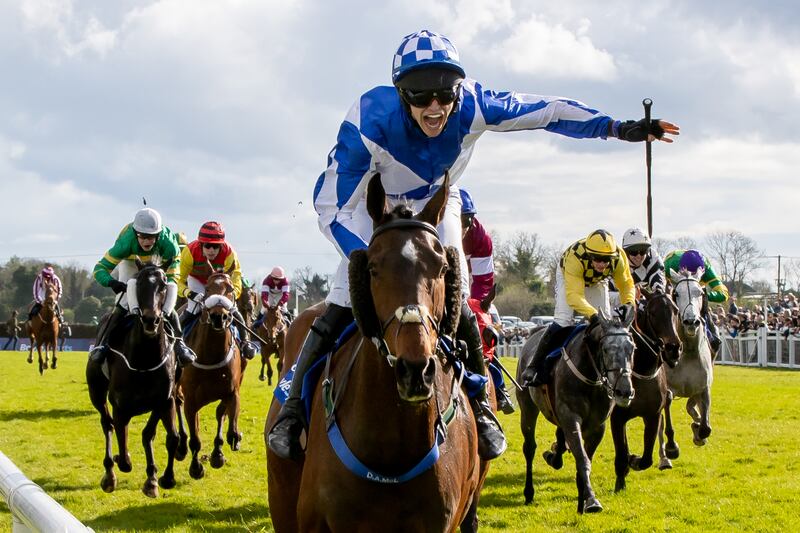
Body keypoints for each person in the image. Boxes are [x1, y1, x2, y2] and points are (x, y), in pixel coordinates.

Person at [268, 29, 678, 462]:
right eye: (420, 95)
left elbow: (549, 112)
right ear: (400, 93)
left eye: (445, 94)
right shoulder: (368, 119)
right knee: (342, 299)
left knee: (455, 299)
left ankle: (481, 405)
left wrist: (616, 127)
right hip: (373, 206)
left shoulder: (475, 105)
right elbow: (331, 206)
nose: (435, 107)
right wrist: (368, 259)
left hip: (437, 202)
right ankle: (294, 408)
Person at [524, 229, 636, 387]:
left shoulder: (618, 257)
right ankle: (534, 366)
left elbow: (626, 284)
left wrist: (628, 303)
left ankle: (608, 371)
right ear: (590, 255)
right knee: (563, 320)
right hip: (569, 278)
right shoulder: (575, 257)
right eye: (597, 259)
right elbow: (574, 296)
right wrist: (593, 314)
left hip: (598, 281)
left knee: (606, 328)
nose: (602, 263)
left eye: (606, 260)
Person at [89, 207, 195, 366]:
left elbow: (173, 276)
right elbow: (99, 269)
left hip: (158, 262)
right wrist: (112, 282)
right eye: (143, 237)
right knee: (124, 301)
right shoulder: (125, 243)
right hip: (131, 261)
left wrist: (163, 290)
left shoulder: (169, 246)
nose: (147, 241)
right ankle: (103, 345)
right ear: (136, 233)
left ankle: (180, 344)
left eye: (151, 237)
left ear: (158, 235)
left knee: (169, 301)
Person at [177, 221, 256, 359]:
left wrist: (232, 295)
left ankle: (245, 343)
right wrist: (189, 293)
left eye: (216, 246)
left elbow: (236, 278)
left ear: (221, 245)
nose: (211, 250)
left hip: (221, 284)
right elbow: (178, 280)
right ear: (201, 244)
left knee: (233, 309)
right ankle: (177, 342)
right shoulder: (189, 252)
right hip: (197, 281)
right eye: (207, 246)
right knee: (193, 308)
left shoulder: (230, 253)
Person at [664, 249, 729, 353]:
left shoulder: (707, 268)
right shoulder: (669, 265)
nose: (690, 276)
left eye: (693, 274)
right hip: (675, 289)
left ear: (700, 271)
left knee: (703, 307)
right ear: (680, 269)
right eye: (686, 273)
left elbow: (723, 294)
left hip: (696, 295)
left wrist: (702, 295)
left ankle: (712, 338)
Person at [460, 188, 495, 301]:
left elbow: (482, 283)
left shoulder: (481, 239)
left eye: (466, 221)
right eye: (457, 221)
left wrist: (476, 307)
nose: (461, 228)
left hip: (466, 282)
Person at [621, 227, 666, 293]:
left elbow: (659, 287)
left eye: (643, 251)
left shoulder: (654, 259)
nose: (639, 256)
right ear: (625, 251)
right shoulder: (617, 262)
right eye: (634, 252)